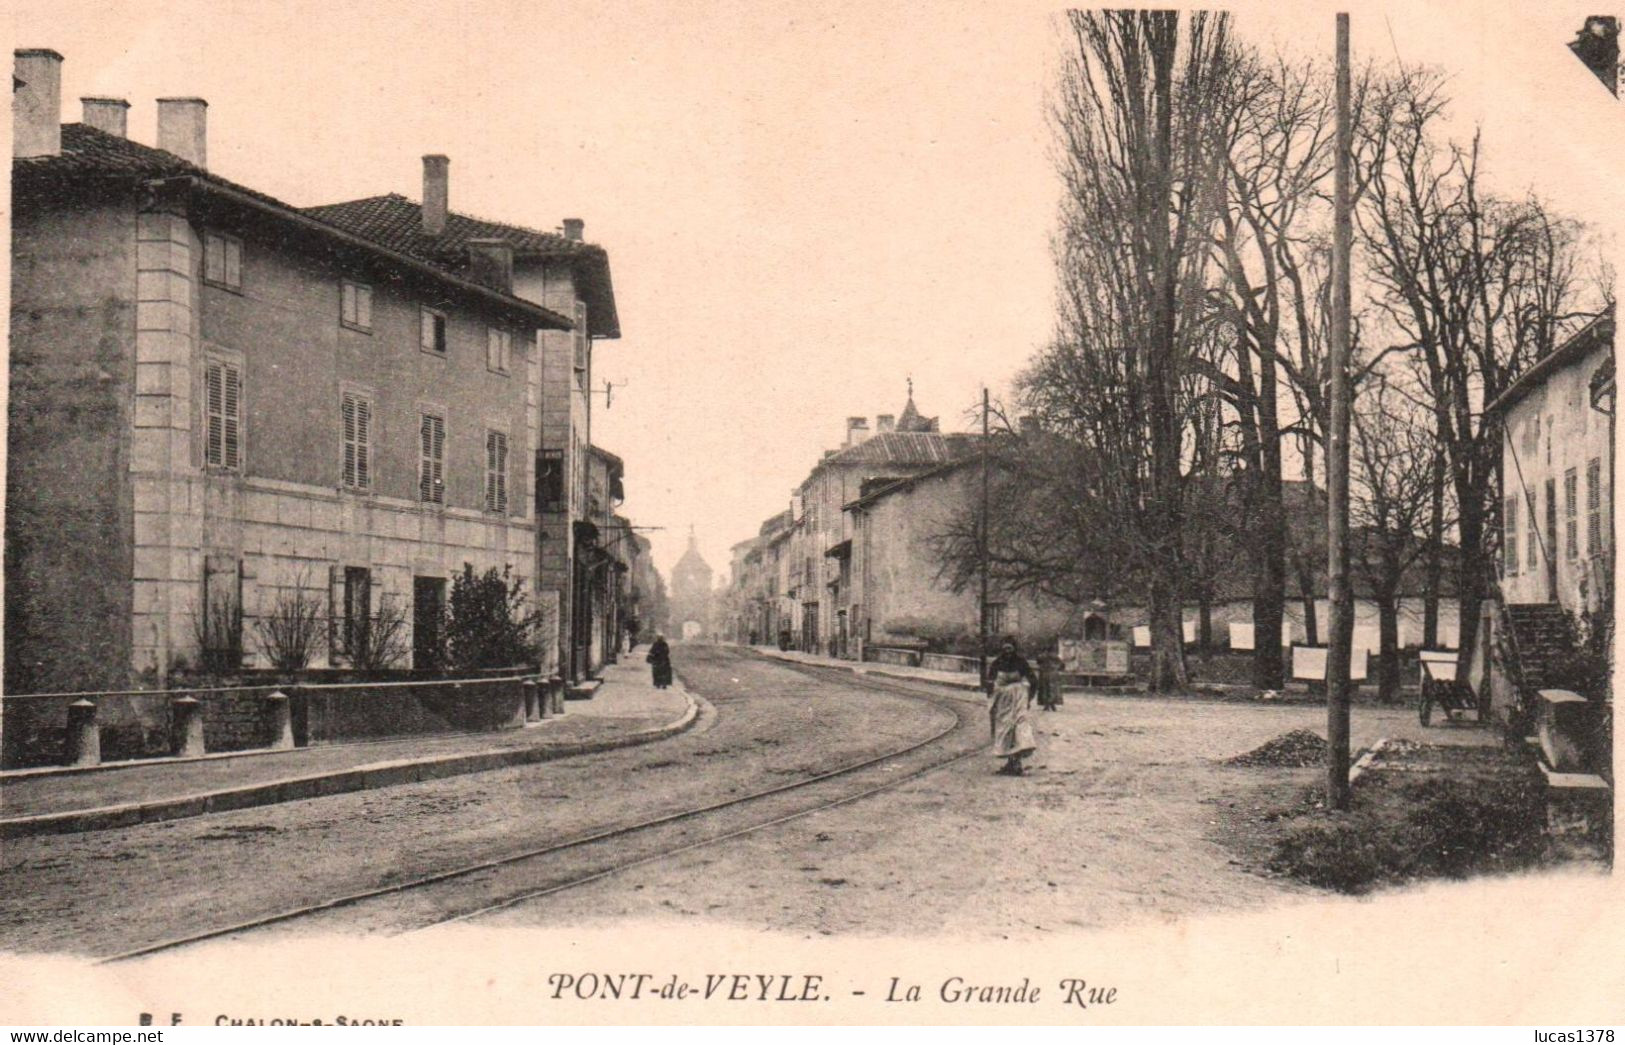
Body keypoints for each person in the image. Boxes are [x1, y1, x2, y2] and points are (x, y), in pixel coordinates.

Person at [986, 637, 1038, 776]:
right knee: (1004, 727)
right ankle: (1010, 762)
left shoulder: (1021, 662)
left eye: (1010, 648)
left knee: (1019, 725)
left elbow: (1033, 680)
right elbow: (990, 681)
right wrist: (992, 697)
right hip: (1003, 699)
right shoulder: (997, 663)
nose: (1007, 652)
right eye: (1005, 649)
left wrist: (1029, 698)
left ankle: (1017, 762)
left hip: (1019, 697)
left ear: (1014, 649)